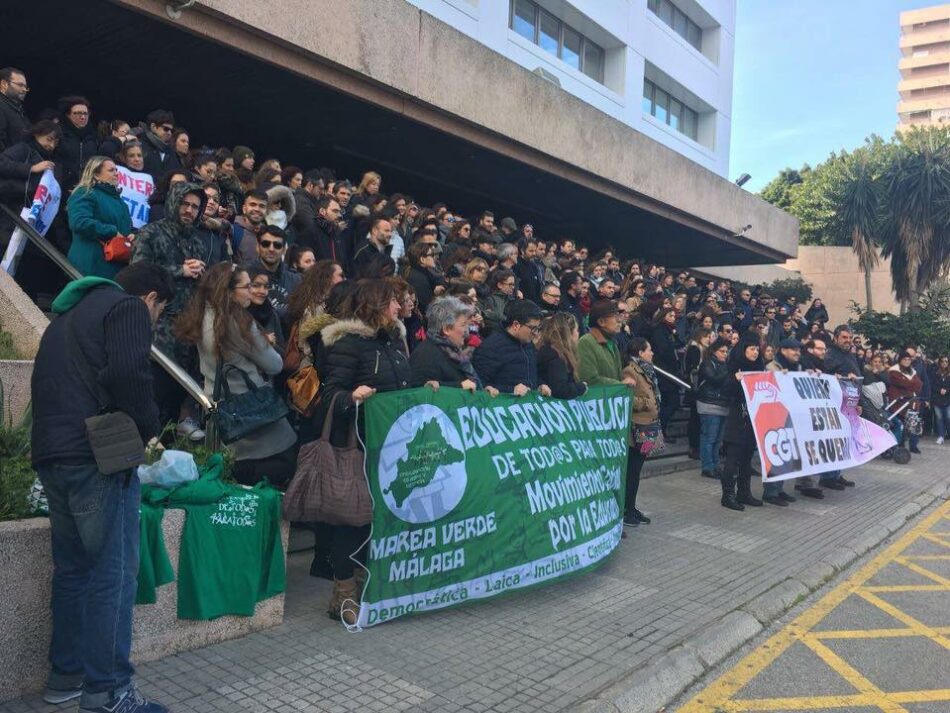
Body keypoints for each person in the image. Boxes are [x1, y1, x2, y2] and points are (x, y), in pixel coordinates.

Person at [32, 262, 173, 713]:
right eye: (160, 313)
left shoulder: (63, 320)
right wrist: (150, 427)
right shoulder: (127, 308)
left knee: (73, 570)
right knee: (113, 573)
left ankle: (66, 677)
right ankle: (109, 691)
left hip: (53, 456)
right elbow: (128, 374)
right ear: (152, 299)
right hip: (98, 457)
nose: (153, 320)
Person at [309, 279, 412, 624]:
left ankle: (368, 585)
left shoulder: (395, 342)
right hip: (358, 446)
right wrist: (351, 397)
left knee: (377, 522)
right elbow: (329, 394)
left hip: (391, 449)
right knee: (353, 521)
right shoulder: (349, 344)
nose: (400, 308)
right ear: (376, 306)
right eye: (394, 302)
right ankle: (343, 594)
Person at [178, 263, 298, 484]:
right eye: (247, 286)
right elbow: (274, 364)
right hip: (256, 414)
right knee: (279, 471)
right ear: (229, 291)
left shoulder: (203, 315)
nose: (252, 291)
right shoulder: (238, 323)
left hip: (226, 412)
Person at [131, 182, 208, 437]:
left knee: (179, 388)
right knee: (157, 384)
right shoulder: (151, 233)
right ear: (174, 202)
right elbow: (138, 273)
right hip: (159, 322)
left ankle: (168, 442)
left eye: (195, 207)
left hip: (187, 325)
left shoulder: (197, 241)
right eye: (185, 204)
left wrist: (199, 275)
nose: (189, 210)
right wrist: (179, 270)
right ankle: (148, 439)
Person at [66, 156, 131, 279]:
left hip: (116, 266)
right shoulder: (84, 193)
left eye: (116, 170)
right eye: (111, 170)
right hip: (91, 265)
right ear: (96, 174)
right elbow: (79, 222)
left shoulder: (120, 202)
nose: (116, 174)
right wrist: (111, 231)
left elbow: (125, 228)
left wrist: (133, 234)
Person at [410, 296, 493, 392]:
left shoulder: (455, 351)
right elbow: (420, 393)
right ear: (447, 329)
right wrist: (459, 386)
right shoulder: (425, 355)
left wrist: (483, 393)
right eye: (463, 325)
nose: (467, 330)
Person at [720, 334, 764, 511]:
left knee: (747, 460)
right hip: (737, 421)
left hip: (753, 423)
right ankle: (727, 495)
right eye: (752, 349)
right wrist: (734, 379)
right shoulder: (734, 368)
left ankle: (744, 492)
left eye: (756, 349)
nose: (755, 352)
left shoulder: (759, 368)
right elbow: (724, 391)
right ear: (744, 349)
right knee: (732, 460)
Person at [472, 299, 550, 396]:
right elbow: (480, 384)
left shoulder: (528, 344)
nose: (535, 333)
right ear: (516, 325)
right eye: (532, 328)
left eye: (537, 328)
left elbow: (532, 372)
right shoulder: (491, 347)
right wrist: (511, 390)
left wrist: (540, 384)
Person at [621, 337, 660, 527]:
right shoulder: (630, 370)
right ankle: (626, 509)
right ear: (640, 352)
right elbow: (628, 397)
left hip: (649, 425)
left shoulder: (648, 370)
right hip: (638, 427)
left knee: (638, 470)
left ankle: (632, 506)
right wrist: (647, 403)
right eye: (649, 349)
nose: (652, 353)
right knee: (633, 470)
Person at [761, 339, 804, 506]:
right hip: (775, 418)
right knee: (776, 454)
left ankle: (779, 488)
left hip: (791, 416)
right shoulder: (772, 367)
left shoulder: (797, 367)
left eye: (799, 349)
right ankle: (770, 492)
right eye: (794, 349)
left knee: (786, 455)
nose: (797, 353)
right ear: (783, 350)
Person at [0, 119, 59, 237]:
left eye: (56, 142)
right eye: (49, 139)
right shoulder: (23, 149)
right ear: (37, 134)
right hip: (8, 210)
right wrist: (31, 168)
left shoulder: (51, 161)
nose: (52, 145)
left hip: (27, 216)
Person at [248, 225, 301, 326]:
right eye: (265, 244)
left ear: (284, 249)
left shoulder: (296, 279)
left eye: (277, 245)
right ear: (257, 247)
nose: (271, 249)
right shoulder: (244, 276)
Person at [696, 337, 731, 479]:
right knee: (709, 437)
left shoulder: (726, 365)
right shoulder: (707, 363)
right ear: (714, 352)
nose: (725, 354)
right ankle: (707, 466)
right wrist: (729, 372)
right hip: (709, 404)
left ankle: (716, 465)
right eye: (722, 351)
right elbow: (714, 380)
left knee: (718, 439)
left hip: (723, 404)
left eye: (726, 352)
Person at [649, 307, 683, 439]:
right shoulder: (659, 331)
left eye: (674, 316)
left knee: (671, 402)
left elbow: (680, 343)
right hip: (664, 371)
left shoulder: (670, 331)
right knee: (670, 402)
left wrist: (675, 336)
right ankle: (660, 430)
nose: (673, 318)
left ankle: (662, 430)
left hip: (671, 371)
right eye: (670, 315)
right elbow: (663, 349)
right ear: (663, 316)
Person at [536, 311, 587, 399]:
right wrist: (581, 387)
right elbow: (560, 389)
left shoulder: (549, 351)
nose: (578, 333)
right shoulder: (556, 357)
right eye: (577, 330)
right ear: (569, 333)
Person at [55, 96, 98, 194]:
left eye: (85, 113)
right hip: (62, 191)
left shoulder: (94, 138)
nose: (83, 117)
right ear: (68, 115)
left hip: (88, 190)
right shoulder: (58, 134)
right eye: (77, 113)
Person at [887, 350, 924, 454]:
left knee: (914, 424)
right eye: (905, 359)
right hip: (899, 403)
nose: (907, 361)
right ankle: (900, 444)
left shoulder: (912, 371)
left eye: (909, 359)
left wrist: (910, 383)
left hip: (912, 402)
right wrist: (912, 383)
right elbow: (903, 383)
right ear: (900, 360)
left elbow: (919, 385)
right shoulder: (894, 371)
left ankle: (913, 446)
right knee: (901, 425)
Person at [246, 266, 285, 354]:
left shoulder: (271, 313)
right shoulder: (236, 313)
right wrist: (261, 341)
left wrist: (271, 344)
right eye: (256, 286)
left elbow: (282, 353)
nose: (262, 291)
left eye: (266, 287)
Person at [403, 241, 445, 315]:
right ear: (422, 259)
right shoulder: (418, 279)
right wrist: (435, 294)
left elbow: (439, 279)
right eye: (431, 255)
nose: (434, 257)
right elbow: (427, 306)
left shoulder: (425, 271)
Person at [138, 110, 178, 180]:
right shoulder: (138, 145)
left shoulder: (171, 152)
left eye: (171, 131)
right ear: (153, 127)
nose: (169, 133)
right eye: (166, 129)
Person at [0, 67, 30, 152]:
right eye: (20, 85)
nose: (24, 90)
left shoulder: (18, 109)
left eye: (26, 87)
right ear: (4, 84)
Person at [932, 356, 949, 445]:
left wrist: (947, 390)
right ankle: (941, 436)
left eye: (946, 361)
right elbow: (932, 384)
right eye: (942, 361)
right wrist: (939, 390)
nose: (944, 363)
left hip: (948, 400)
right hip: (937, 400)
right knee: (939, 419)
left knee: (948, 418)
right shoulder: (935, 373)